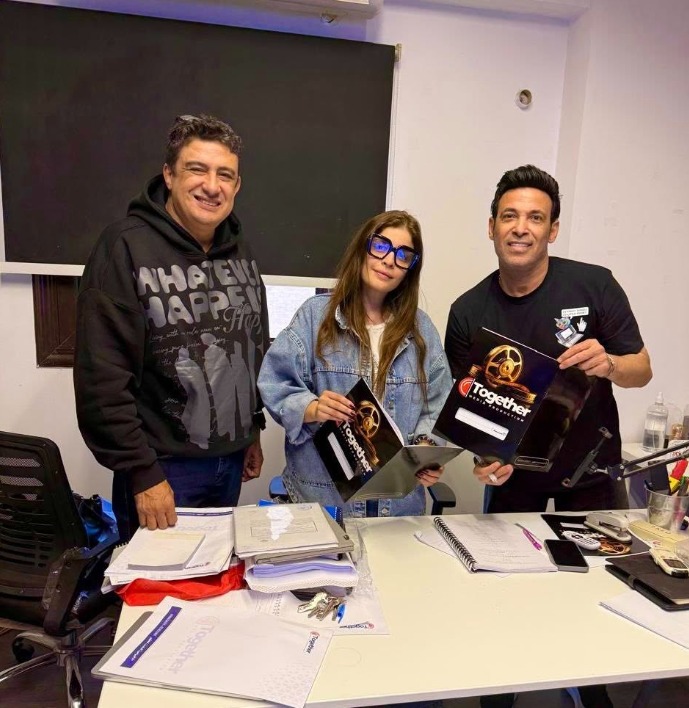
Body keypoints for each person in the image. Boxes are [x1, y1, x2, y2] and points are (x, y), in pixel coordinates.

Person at [445, 165, 652, 708]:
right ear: (491, 226)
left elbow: (642, 369)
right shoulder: (467, 312)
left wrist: (610, 363)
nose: (521, 228)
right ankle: (500, 693)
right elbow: (471, 414)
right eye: (509, 216)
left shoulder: (594, 285)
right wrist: (484, 459)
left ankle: (594, 690)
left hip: (592, 475)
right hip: (516, 480)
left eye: (535, 218)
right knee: (508, 596)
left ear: (552, 229)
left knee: (599, 592)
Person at [74, 114, 268, 541]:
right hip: (162, 469)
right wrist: (142, 472)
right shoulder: (124, 247)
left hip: (231, 460)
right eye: (197, 169)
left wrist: (251, 430)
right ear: (169, 174)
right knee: (158, 579)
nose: (212, 186)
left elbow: (252, 344)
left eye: (225, 175)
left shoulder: (241, 251)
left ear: (237, 185)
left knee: (215, 573)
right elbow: (101, 378)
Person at [258, 210, 452, 517]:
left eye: (403, 255)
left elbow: (439, 405)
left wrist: (426, 449)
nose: (389, 260)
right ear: (363, 248)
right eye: (381, 246)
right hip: (323, 504)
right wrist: (312, 408)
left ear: (410, 269)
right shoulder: (314, 316)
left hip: (397, 510)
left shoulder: (421, 330)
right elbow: (275, 383)